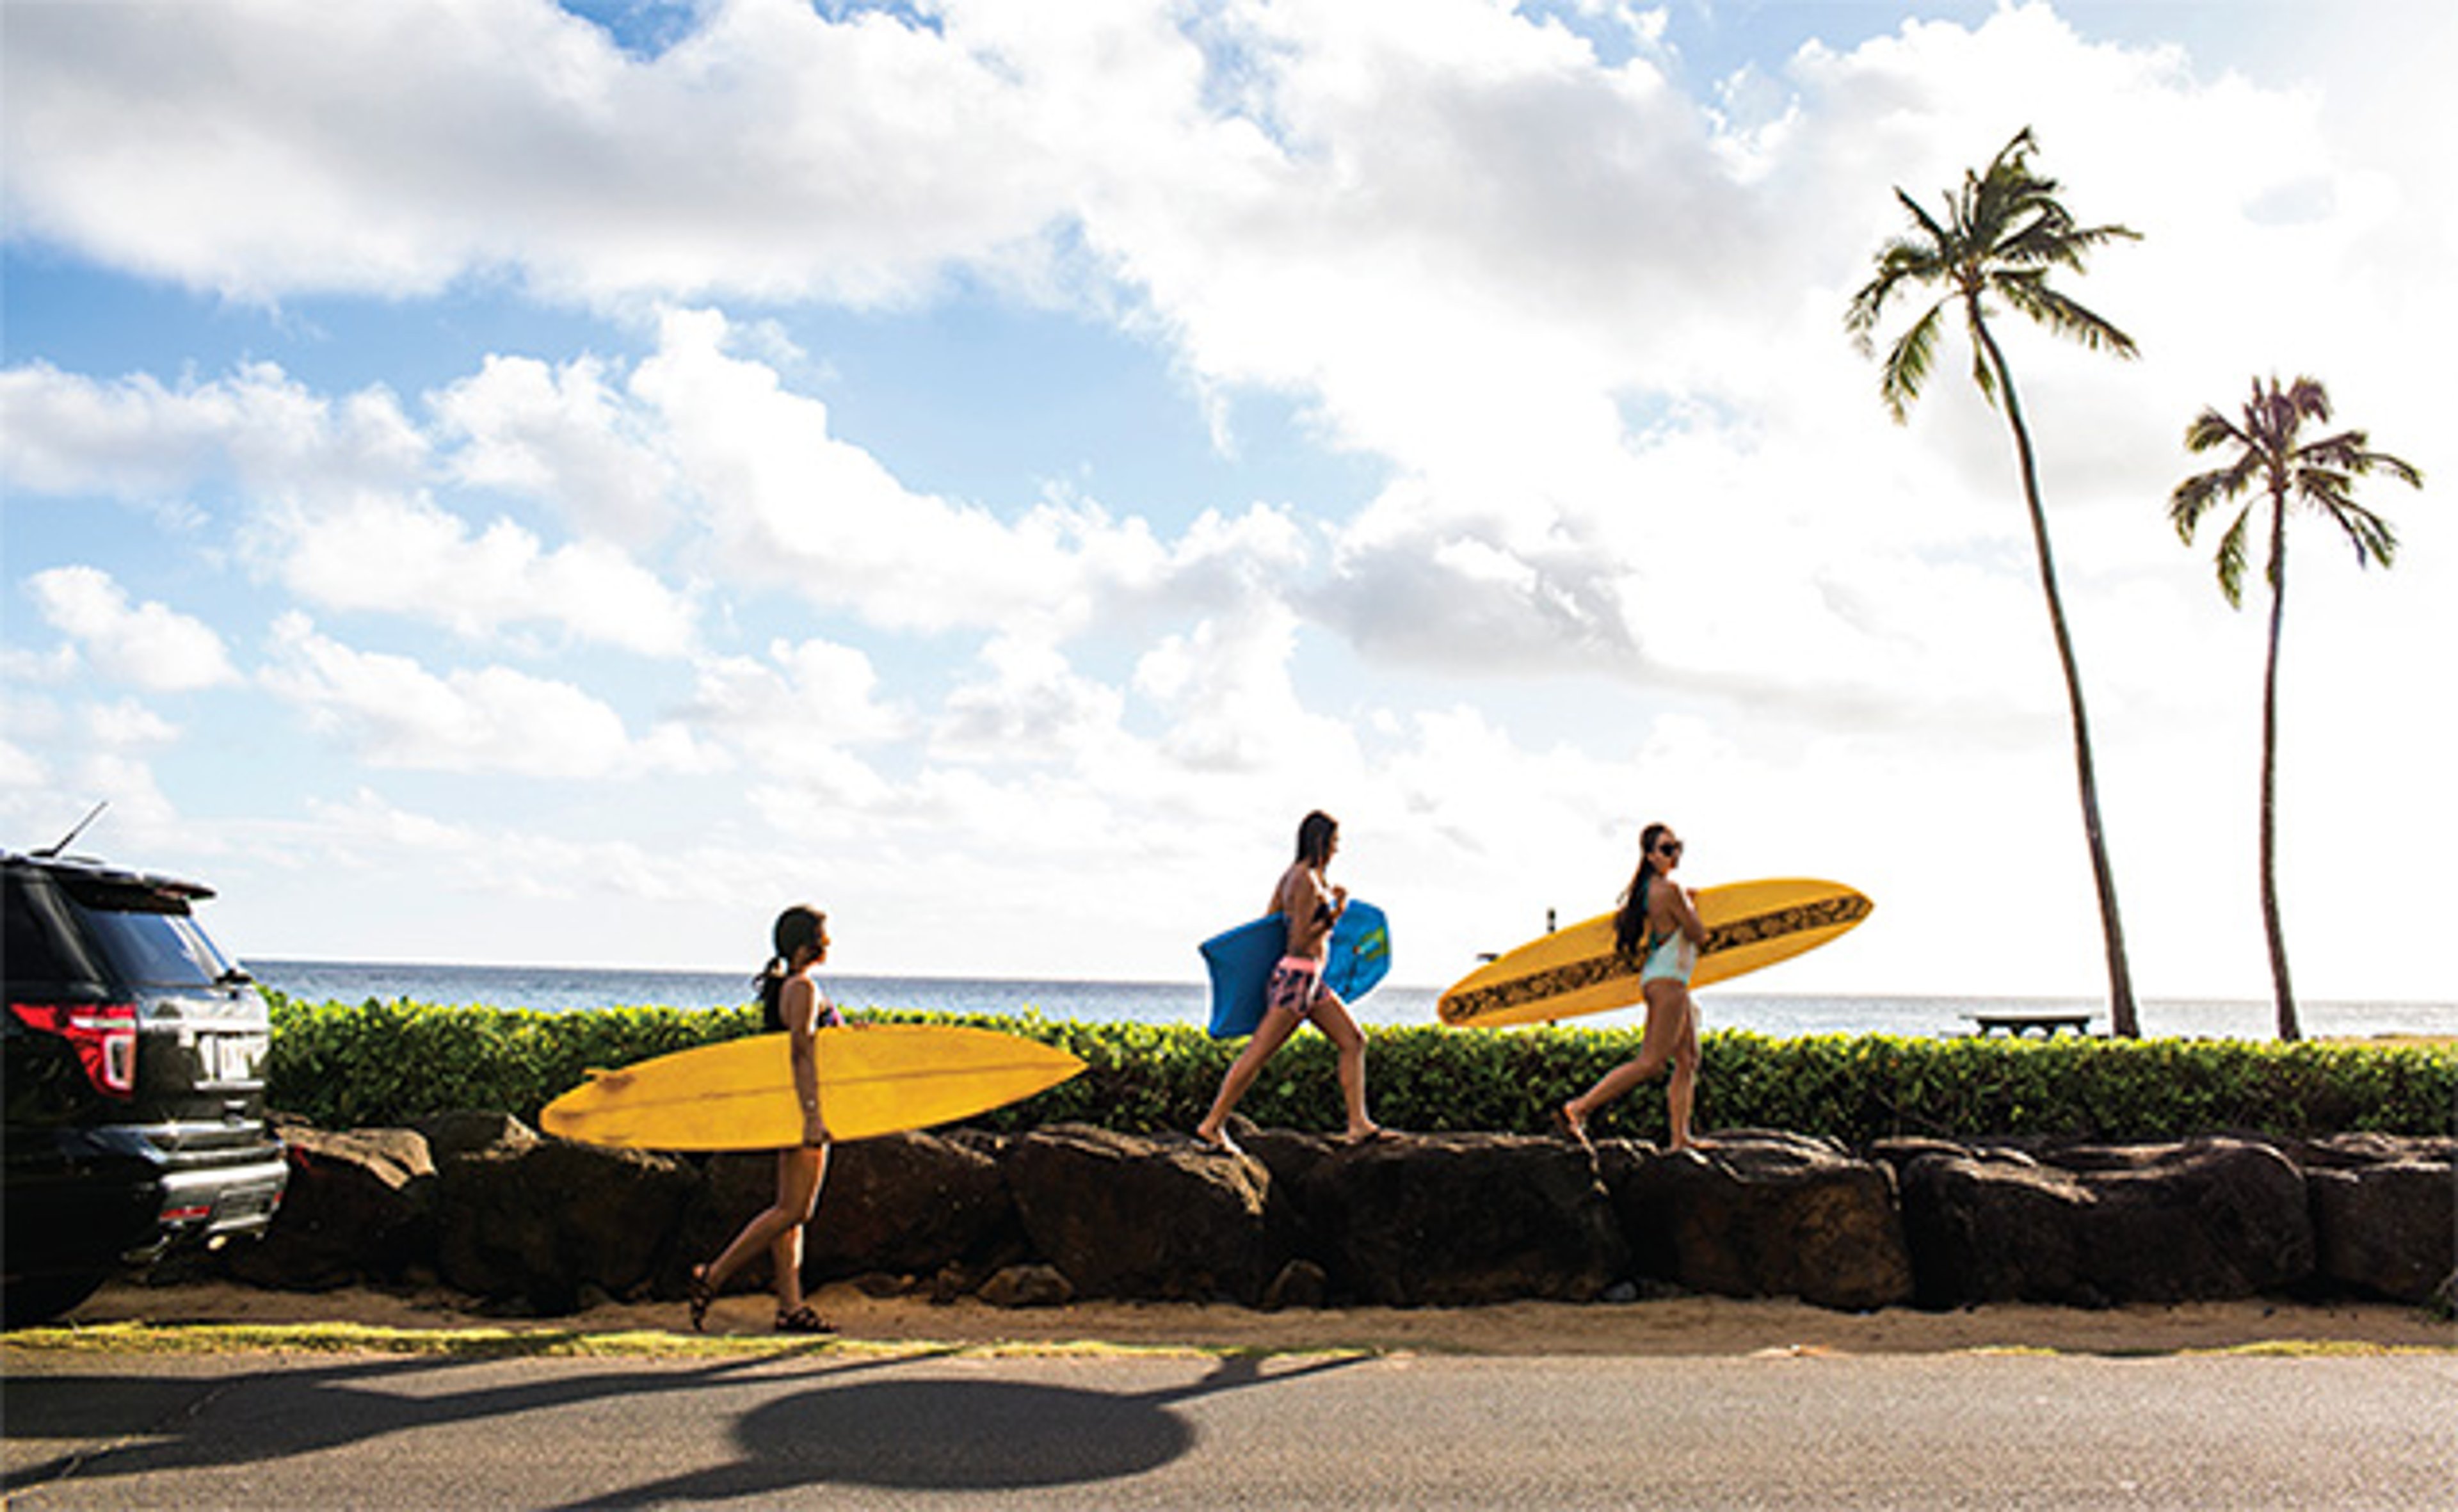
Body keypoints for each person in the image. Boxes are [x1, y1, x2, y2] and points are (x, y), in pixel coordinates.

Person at [687, 904, 842, 1334]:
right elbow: (801, 1052)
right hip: (804, 1109)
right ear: (809, 943)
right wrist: (812, 1116)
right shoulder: (805, 988)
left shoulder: (787, 988)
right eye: (825, 935)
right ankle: (713, 1275)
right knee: (795, 1210)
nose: (830, 942)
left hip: (788, 1107)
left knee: (788, 1214)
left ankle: (791, 1308)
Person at [1194, 810, 1383, 1154]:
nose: (1337, 850)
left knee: (1354, 1041)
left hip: (1312, 981)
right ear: (1321, 842)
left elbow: (1270, 923)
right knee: (1257, 1054)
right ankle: (1212, 1124)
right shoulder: (1305, 880)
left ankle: (1358, 1123)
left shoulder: (1298, 878)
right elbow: (1298, 938)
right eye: (1335, 842)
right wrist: (1337, 910)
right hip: (1298, 978)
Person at [1554, 823, 1708, 1152]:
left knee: (1688, 1059)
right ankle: (1579, 1108)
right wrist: (1690, 905)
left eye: (1677, 847)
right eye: (1667, 849)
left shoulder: (1651, 890)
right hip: (1669, 984)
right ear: (1651, 855)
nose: (1674, 854)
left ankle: (1681, 1139)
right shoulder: (1670, 890)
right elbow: (1698, 934)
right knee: (1651, 1063)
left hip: (1663, 979)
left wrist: (1685, 901)